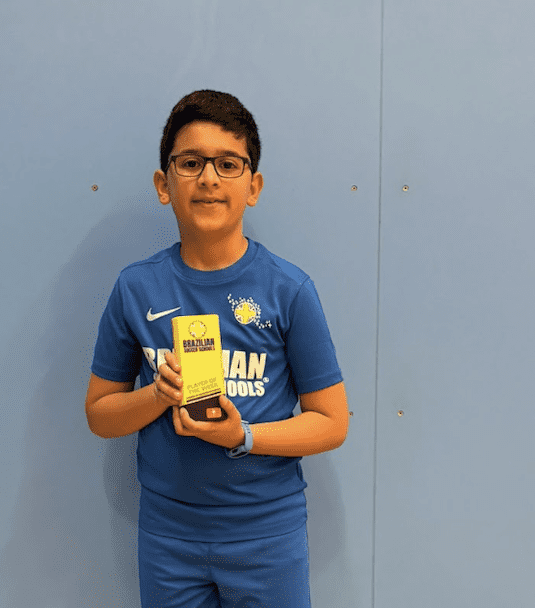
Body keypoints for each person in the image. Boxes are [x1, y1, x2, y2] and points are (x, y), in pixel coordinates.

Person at [85, 90, 349, 608]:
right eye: (190, 163)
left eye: (228, 164)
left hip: (267, 535)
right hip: (168, 536)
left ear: (253, 186)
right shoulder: (136, 288)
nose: (208, 178)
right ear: (165, 185)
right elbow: (100, 414)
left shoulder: (288, 289)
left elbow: (331, 422)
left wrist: (243, 435)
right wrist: (157, 396)